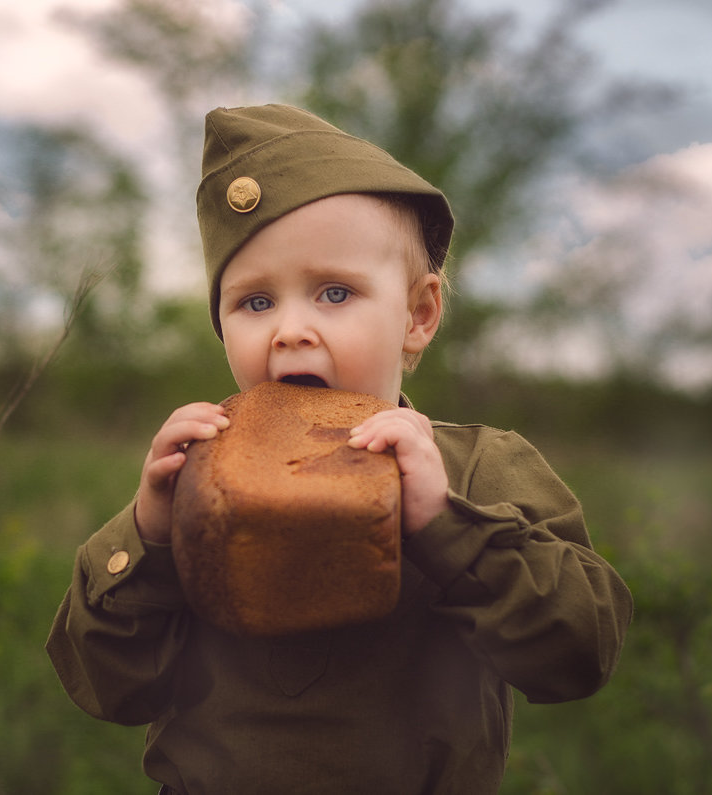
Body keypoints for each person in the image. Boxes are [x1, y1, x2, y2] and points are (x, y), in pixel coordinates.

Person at [46, 104, 632, 795]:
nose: (291, 330)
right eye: (255, 303)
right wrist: (148, 533)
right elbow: (108, 685)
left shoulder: (481, 466)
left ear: (418, 315)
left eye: (334, 292)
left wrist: (445, 524)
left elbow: (579, 652)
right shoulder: (202, 475)